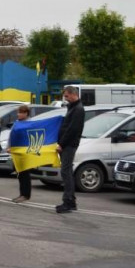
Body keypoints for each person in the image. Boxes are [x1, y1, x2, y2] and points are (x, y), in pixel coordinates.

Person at [56, 85, 85, 213]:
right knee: (66, 172)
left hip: (69, 145)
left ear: (74, 94)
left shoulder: (78, 109)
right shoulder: (73, 107)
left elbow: (72, 129)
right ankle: (71, 201)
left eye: (67, 96)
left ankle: (67, 202)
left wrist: (61, 144)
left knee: (66, 172)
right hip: (67, 144)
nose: (65, 98)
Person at [11, 105, 33, 203]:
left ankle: (25, 195)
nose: (18, 114)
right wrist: (10, 147)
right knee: (19, 174)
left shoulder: (29, 124)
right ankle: (21, 194)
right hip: (16, 151)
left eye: (20, 112)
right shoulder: (17, 123)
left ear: (26, 113)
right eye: (18, 112)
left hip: (24, 152)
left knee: (24, 174)